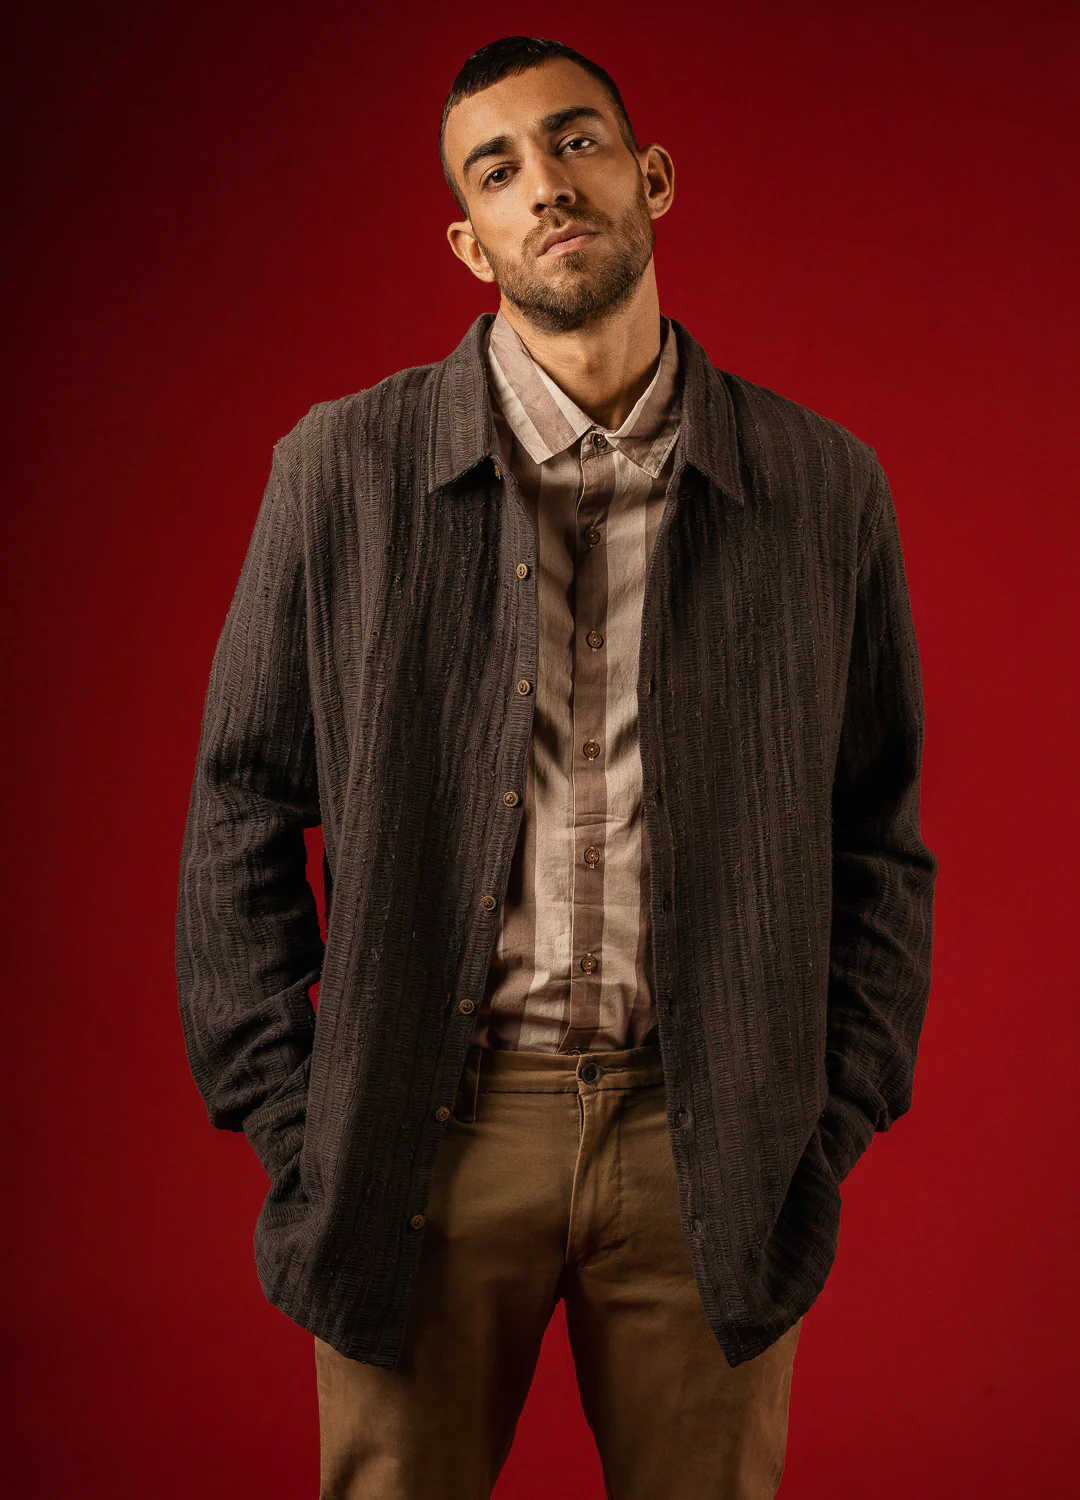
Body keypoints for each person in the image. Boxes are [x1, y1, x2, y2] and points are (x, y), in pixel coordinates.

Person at [175, 33, 937, 1500]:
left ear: (652, 177)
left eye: (576, 141)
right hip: (421, 1134)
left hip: (708, 1145)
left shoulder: (821, 485)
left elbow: (879, 836)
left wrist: (820, 1121)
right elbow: (242, 807)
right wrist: (303, 1120)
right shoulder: (340, 472)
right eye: (498, 169)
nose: (547, 185)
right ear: (471, 241)